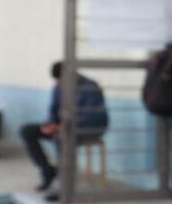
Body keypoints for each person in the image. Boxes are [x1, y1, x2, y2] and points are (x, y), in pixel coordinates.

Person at [19, 61, 108, 196]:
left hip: (89, 128)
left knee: (62, 137)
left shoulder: (90, 87)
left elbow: (90, 117)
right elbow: (53, 110)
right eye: (58, 81)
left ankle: (65, 185)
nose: (60, 83)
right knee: (27, 131)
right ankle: (47, 171)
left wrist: (62, 127)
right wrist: (50, 124)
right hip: (64, 127)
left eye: (61, 80)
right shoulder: (59, 86)